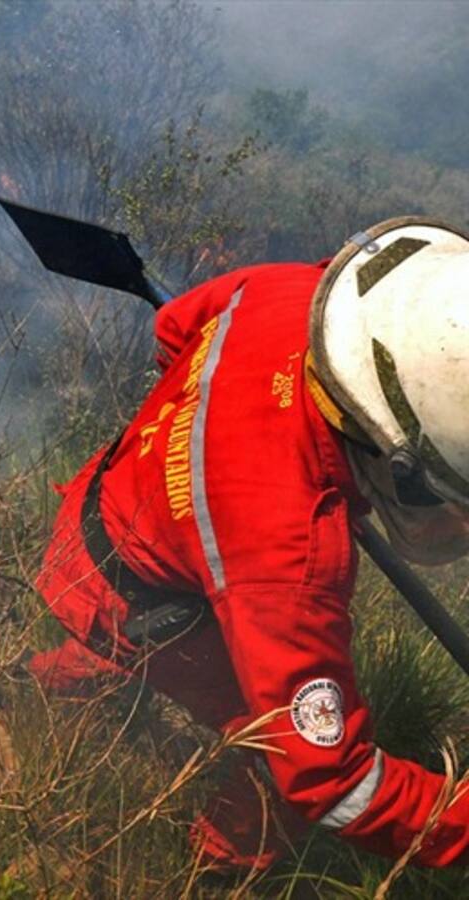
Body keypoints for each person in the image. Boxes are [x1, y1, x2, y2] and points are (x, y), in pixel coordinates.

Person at [31, 217, 469, 869]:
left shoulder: (285, 290)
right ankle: (221, 867)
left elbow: (175, 330)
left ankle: (40, 693)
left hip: (105, 516)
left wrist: (221, 425)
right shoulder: (288, 559)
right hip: (138, 602)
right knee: (277, 755)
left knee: (125, 637)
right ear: (391, 452)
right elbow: (336, 783)